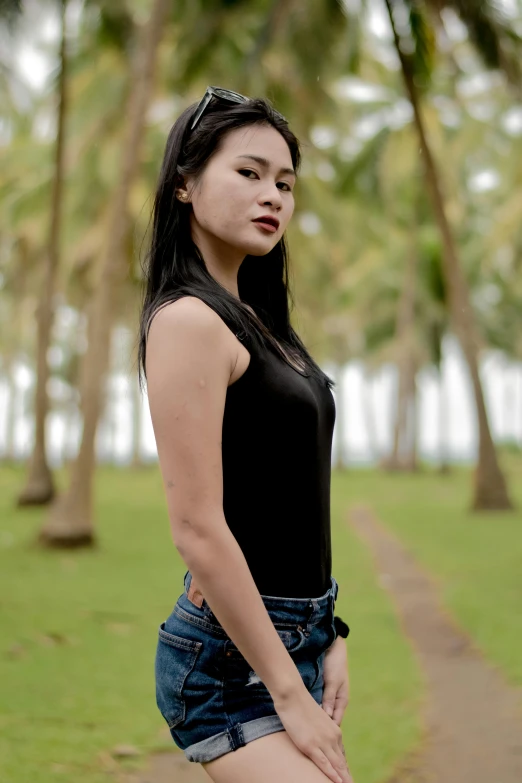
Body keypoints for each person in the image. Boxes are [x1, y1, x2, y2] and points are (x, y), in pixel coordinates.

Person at [137, 86, 352, 783]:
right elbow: (198, 528)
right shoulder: (189, 321)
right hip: (232, 663)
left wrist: (331, 631)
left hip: (297, 635)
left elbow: (287, 496)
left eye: (286, 182)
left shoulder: (259, 322)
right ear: (184, 184)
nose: (274, 196)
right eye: (250, 172)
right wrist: (288, 688)